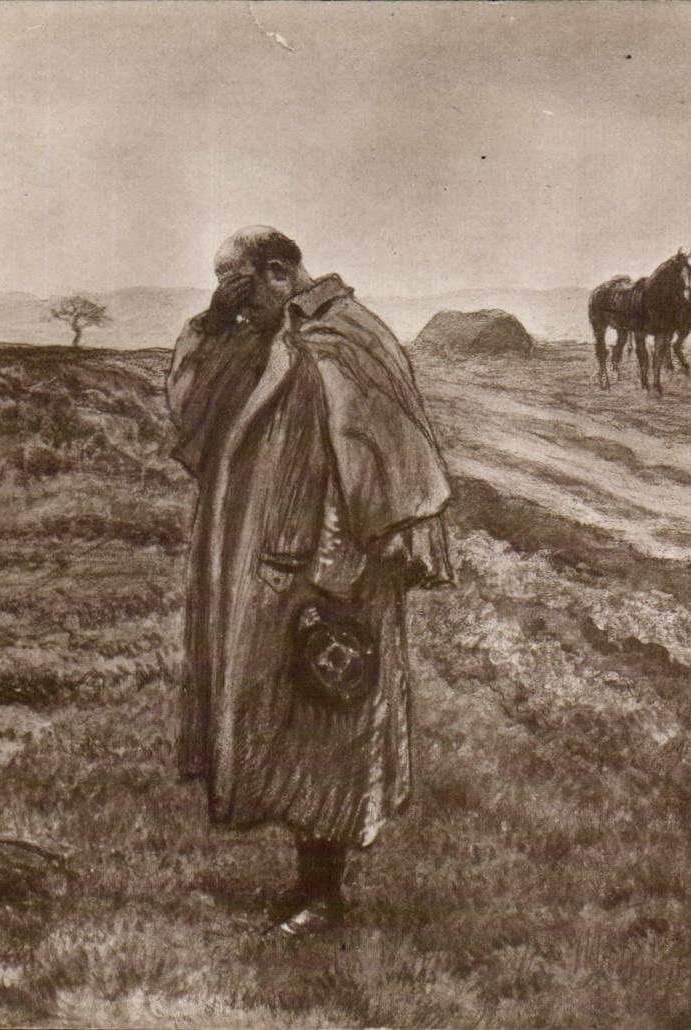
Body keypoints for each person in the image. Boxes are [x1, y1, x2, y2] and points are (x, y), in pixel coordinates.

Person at [166, 226, 453, 938]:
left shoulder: (344, 338)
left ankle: (323, 895)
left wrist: (331, 580)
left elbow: (379, 465)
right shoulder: (266, 337)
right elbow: (192, 413)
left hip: (329, 575)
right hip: (268, 566)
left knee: (328, 725)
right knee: (281, 723)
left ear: (277, 271)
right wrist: (214, 324)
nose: (240, 306)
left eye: (243, 289)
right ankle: (309, 881)